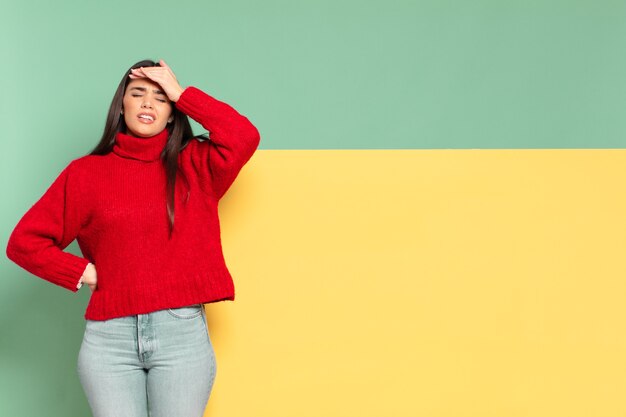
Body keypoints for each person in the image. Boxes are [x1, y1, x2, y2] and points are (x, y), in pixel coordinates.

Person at [5, 59, 260, 417]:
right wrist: (83, 272)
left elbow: (244, 136)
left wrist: (183, 93)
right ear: (121, 105)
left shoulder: (196, 165)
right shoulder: (86, 174)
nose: (147, 104)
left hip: (181, 334)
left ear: (172, 112)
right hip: (109, 339)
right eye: (137, 94)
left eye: (160, 98)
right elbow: (23, 243)